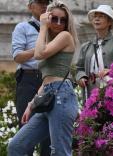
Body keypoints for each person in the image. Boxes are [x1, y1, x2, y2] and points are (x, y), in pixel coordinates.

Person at [8, 1, 79, 155]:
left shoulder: (65, 36)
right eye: (54, 18)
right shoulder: (48, 42)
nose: (59, 23)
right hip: (47, 95)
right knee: (16, 146)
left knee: (59, 152)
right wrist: (31, 104)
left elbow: (39, 54)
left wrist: (43, 26)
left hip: (62, 97)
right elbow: (46, 79)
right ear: (48, 17)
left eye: (63, 20)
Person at [10, 0, 52, 155]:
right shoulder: (23, 27)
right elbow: (18, 56)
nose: (44, 5)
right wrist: (39, 50)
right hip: (28, 80)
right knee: (26, 128)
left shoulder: (56, 27)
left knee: (50, 131)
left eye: (46, 2)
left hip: (49, 80)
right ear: (30, 6)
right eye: (40, 2)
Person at [75, 4, 113, 99]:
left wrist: (111, 70)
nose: (96, 19)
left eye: (101, 16)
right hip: (92, 93)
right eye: (95, 16)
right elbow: (79, 68)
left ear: (109, 22)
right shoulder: (86, 47)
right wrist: (81, 77)